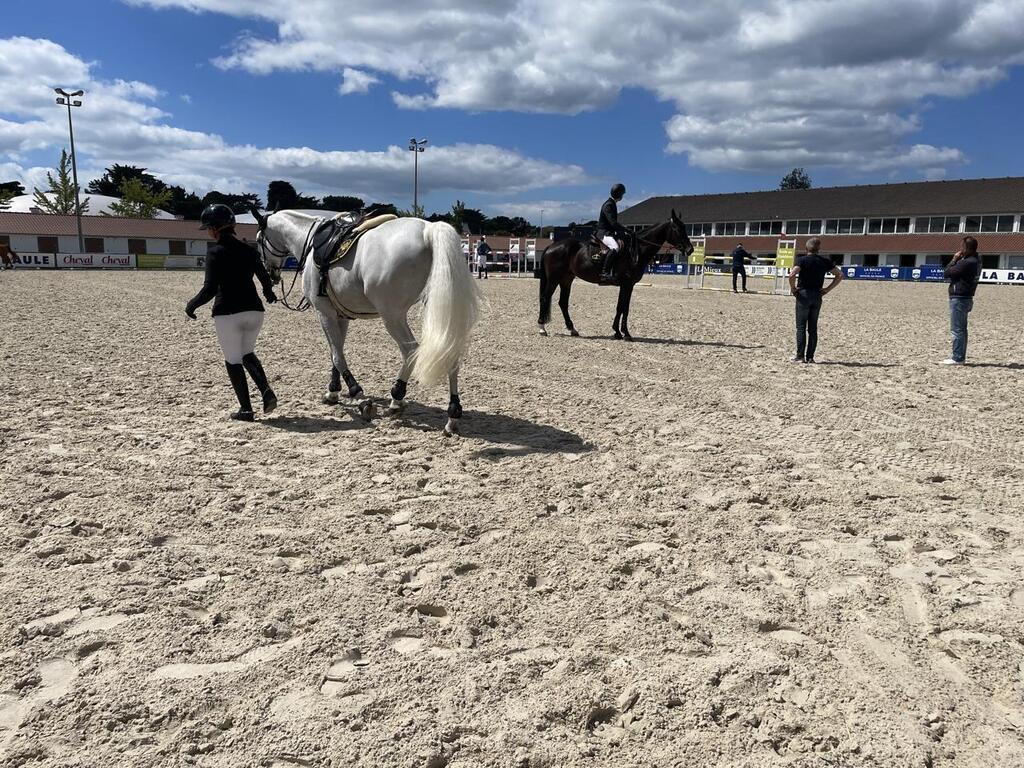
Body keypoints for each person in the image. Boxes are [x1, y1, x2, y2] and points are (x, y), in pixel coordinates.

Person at [185, 203, 279, 421]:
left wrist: (192, 305)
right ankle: (266, 390)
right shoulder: (249, 249)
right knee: (247, 352)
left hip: (228, 312)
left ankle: (246, 409)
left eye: (208, 227)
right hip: (255, 312)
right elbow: (264, 276)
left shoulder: (215, 252)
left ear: (214, 229)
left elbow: (209, 289)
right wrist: (268, 293)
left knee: (233, 359)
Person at [787, 237, 843, 363]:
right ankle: (811, 357)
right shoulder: (824, 261)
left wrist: (793, 288)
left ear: (806, 248)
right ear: (818, 249)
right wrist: (827, 289)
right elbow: (839, 275)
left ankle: (800, 356)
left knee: (801, 327)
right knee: (813, 328)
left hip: (804, 294)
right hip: (817, 294)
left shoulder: (802, 260)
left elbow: (792, 274)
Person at [942, 236, 981, 365]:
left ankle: (958, 357)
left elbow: (947, 273)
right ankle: (959, 355)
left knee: (957, 329)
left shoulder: (966, 262)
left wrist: (954, 259)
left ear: (965, 248)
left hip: (959, 297)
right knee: (962, 329)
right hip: (967, 297)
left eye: (962, 247)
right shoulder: (976, 260)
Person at [598, 183, 628, 280]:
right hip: (604, 233)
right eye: (622, 194)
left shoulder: (612, 203)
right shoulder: (609, 205)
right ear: (619, 194)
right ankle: (604, 272)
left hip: (609, 232)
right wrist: (625, 229)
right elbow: (613, 223)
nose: (622, 196)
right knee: (615, 247)